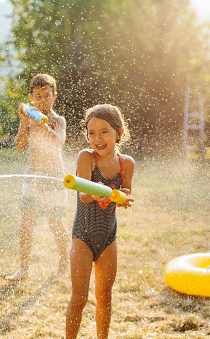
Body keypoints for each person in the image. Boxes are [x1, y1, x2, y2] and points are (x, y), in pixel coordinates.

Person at [65, 104, 135, 339]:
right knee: (79, 297)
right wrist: (96, 192)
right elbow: (83, 195)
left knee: (105, 295)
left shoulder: (127, 163)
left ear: (119, 133)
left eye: (104, 131)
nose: (97, 138)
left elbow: (126, 191)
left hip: (108, 237)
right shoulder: (86, 157)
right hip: (82, 236)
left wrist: (123, 196)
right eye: (91, 132)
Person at [6, 74, 68, 281]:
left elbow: (58, 142)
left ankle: (64, 262)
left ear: (54, 97)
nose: (43, 100)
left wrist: (44, 125)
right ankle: (23, 268)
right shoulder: (30, 120)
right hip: (33, 176)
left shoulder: (58, 121)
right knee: (26, 223)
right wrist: (24, 123)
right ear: (31, 98)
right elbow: (20, 147)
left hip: (54, 178)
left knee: (55, 223)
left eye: (47, 96)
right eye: (38, 96)